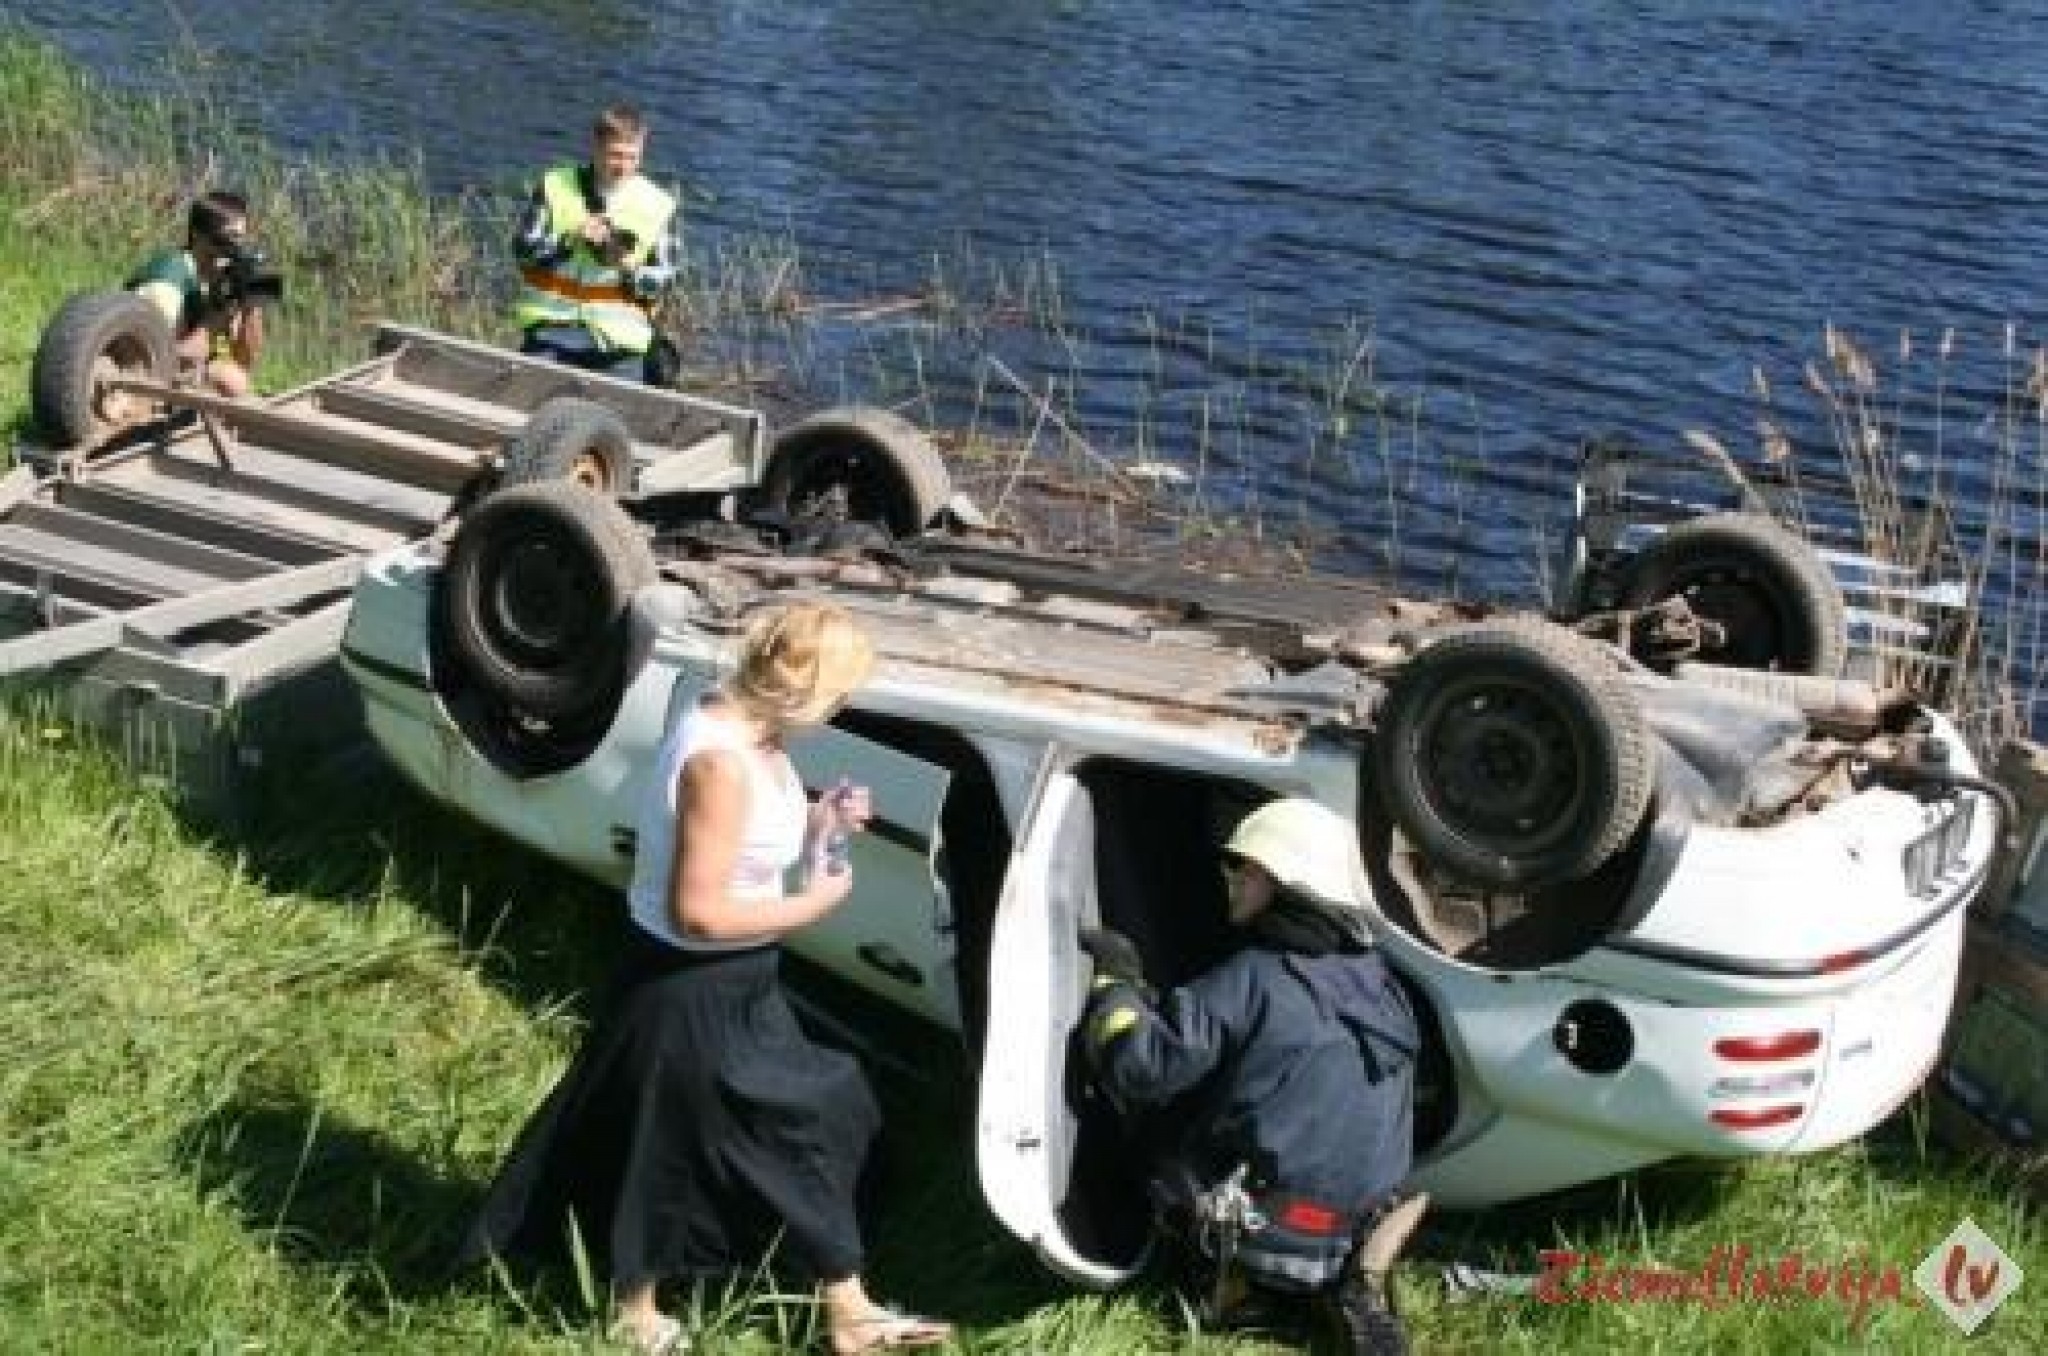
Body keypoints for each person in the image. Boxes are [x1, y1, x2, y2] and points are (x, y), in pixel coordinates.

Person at [456, 601, 951, 1356]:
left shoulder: (745, 726)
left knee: (779, 1118)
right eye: (840, 696)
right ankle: (640, 1312)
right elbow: (699, 912)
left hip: (737, 982)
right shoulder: (720, 762)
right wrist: (812, 904)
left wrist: (820, 827)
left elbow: (744, 847)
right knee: (689, 1143)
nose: (843, 710)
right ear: (808, 693)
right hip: (688, 985)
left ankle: (845, 1311)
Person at [1078, 798, 1428, 1356]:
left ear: (1287, 883)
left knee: (1156, 1143)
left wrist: (1116, 987)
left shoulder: (1249, 981)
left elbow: (1139, 1067)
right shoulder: (1380, 978)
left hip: (1271, 1229)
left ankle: (1237, 1293)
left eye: (1248, 869)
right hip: (1360, 1221)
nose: (1235, 880)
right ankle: (1347, 1279)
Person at [513, 103, 681, 385]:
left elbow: (666, 279)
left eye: (632, 157)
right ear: (595, 146)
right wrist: (570, 241)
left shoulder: (659, 204)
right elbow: (523, 252)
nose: (624, 166)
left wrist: (627, 268)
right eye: (615, 155)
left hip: (620, 347)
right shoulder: (555, 185)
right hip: (552, 334)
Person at [127, 190, 267, 397]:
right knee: (231, 380)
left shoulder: (221, 276)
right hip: (139, 377)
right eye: (227, 239)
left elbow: (245, 361)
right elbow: (161, 360)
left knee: (236, 377)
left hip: (184, 373)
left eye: (240, 240)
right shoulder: (166, 283)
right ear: (198, 235)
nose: (234, 249)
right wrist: (218, 316)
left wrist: (252, 304)